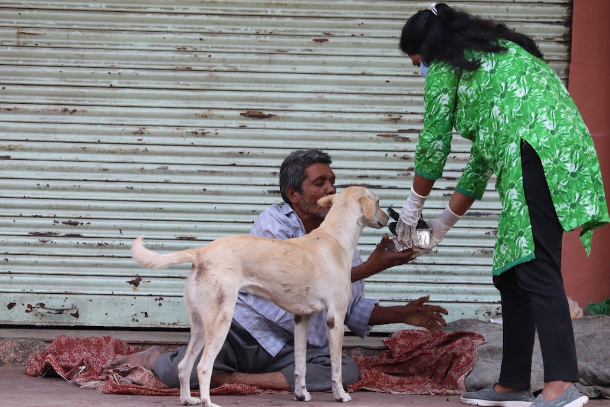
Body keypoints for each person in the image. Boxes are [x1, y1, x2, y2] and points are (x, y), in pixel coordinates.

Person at [395, 3, 609, 407]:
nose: (420, 72)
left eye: (418, 62)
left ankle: (562, 385)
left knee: (537, 268)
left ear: (429, 48)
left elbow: (434, 142)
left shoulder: (446, 62)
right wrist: (438, 227)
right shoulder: (495, 60)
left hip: (536, 151)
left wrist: (412, 206)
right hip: (551, 153)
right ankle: (512, 385)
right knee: (513, 270)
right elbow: (479, 164)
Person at [106, 149, 448, 392]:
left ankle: (232, 381)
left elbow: (344, 305)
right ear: (293, 194)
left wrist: (404, 313)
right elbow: (299, 291)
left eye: (333, 181)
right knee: (178, 370)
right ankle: (157, 358)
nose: (331, 189)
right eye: (320, 183)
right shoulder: (274, 223)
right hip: (249, 334)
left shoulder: (340, 234)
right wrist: (369, 267)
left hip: (289, 347)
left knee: (347, 370)